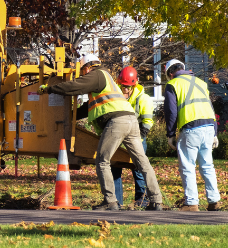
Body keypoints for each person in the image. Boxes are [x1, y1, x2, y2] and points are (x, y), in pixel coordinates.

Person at [39, 54, 164, 211]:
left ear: (87, 67)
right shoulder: (106, 81)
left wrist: (49, 89)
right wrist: (66, 116)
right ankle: (156, 201)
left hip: (117, 121)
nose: (83, 75)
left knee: (102, 160)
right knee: (142, 162)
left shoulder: (98, 74)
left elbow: (73, 86)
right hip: (130, 121)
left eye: (82, 71)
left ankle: (110, 201)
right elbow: (87, 108)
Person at [163, 59, 221, 212]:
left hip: (190, 128)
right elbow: (210, 107)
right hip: (209, 127)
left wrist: (170, 134)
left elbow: (171, 112)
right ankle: (214, 201)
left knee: (188, 166)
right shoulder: (200, 83)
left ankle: (191, 203)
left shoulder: (173, 85)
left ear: (170, 73)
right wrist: (215, 133)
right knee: (207, 165)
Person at [112, 66, 151, 207]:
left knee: (139, 170)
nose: (125, 90)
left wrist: (138, 139)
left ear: (134, 85)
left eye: (128, 87)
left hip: (137, 138)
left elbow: (147, 122)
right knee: (115, 169)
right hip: (118, 138)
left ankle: (142, 201)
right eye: (123, 86)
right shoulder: (115, 96)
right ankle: (117, 202)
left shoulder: (143, 99)